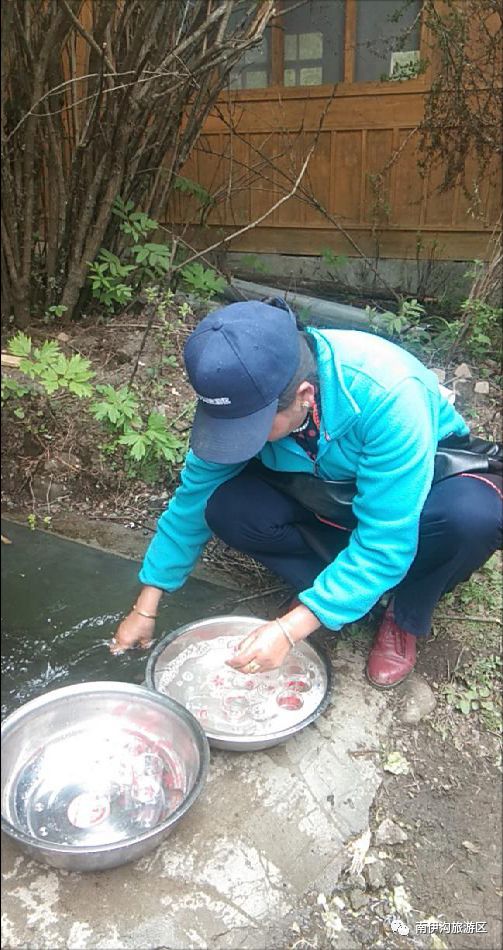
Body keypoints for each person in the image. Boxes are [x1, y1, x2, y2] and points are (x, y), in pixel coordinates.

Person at [111, 300, 502, 688]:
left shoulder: (388, 393)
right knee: (227, 508)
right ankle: (336, 595)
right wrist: (146, 607)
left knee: (470, 517)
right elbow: (192, 500)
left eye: (250, 430)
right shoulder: (242, 393)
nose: (236, 442)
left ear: (305, 395)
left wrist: (287, 632)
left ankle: (402, 613)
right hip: (324, 490)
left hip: (418, 490)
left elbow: (386, 538)